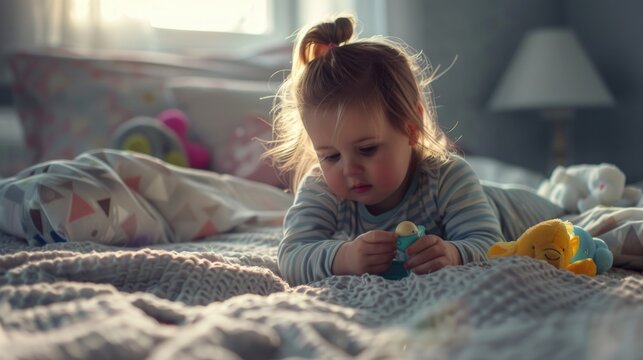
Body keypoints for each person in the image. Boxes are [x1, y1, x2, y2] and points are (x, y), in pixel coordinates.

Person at [265, 15, 564, 285]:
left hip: (517, 209)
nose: (348, 169)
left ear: (411, 128)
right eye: (330, 156)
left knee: (563, 206)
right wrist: (344, 257)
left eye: (367, 149)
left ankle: (565, 190)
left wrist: (454, 253)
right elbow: (291, 255)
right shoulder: (322, 189)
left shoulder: (448, 177)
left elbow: (490, 243)